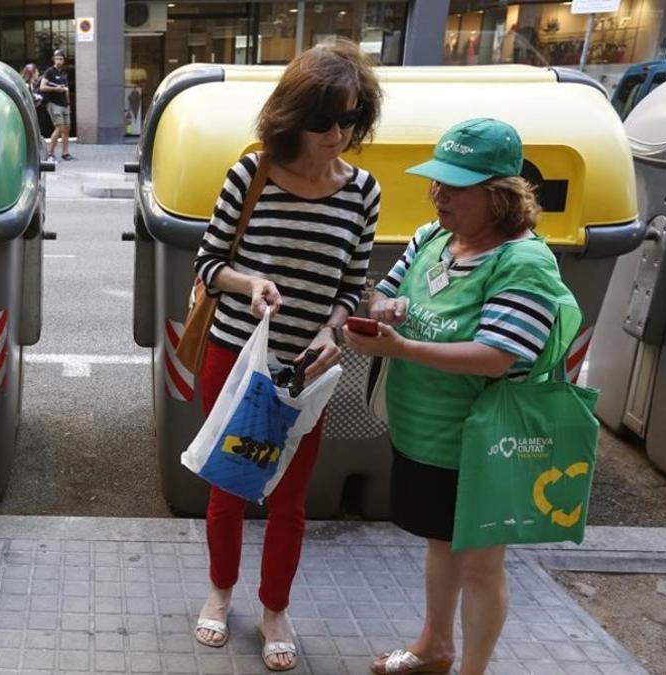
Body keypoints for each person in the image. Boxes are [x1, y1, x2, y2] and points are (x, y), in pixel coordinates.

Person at [344, 118, 569, 675]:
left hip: (482, 443)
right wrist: (383, 310)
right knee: (440, 544)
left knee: (481, 567)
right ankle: (432, 646)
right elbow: (385, 293)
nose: (438, 195)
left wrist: (402, 349)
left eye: (455, 186)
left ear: (499, 197)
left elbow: (498, 354)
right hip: (425, 434)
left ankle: (471, 670)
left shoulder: (524, 263)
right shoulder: (434, 238)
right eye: (436, 183)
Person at [191, 39, 382, 672]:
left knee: (291, 499)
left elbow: (354, 283)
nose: (336, 133)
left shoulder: (363, 192)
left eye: (350, 119)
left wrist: (334, 328)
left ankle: (275, 607)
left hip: (310, 371)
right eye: (323, 119)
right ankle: (221, 593)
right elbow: (210, 264)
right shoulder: (253, 173)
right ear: (292, 114)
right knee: (230, 486)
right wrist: (251, 284)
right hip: (236, 358)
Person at [40, 49, 73, 161]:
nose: (59, 61)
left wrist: (68, 104)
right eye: (57, 59)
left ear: (63, 60)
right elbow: (42, 87)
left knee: (66, 129)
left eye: (61, 59)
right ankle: (50, 153)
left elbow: (66, 90)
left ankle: (65, 153)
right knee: (59, 128)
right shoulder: (49, 71)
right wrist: (55, 89)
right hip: (54, 103)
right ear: (53, 60)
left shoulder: (63, 73)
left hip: (64, 104)